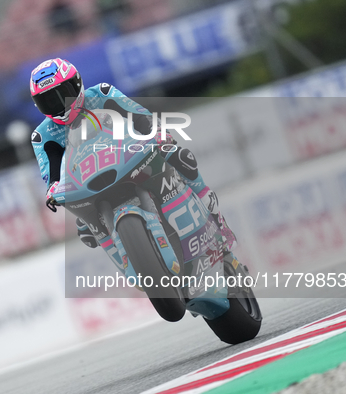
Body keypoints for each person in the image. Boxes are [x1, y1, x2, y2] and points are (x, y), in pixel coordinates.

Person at [29, 58, 237, 251]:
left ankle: (218, 221)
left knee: (180, 157)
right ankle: (130, 260)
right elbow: (52, 174)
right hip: (88, 181)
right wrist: (53, 191)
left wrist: (158, 135)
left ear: (76, 84)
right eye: (49, 101)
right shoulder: (42, 135)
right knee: (85, 229)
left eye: (62, 94)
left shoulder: (102, 93)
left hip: (129, 157)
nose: (59, 104)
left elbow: (140, 117)